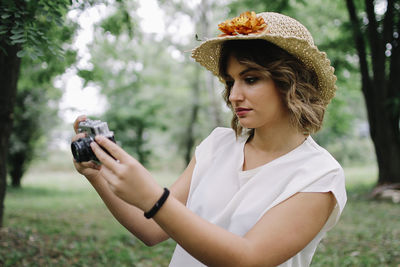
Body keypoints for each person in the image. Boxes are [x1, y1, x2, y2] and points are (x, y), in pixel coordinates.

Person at [72, 11, 347, 267]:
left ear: (291, 82)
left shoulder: (319, 175)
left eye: (250, 79)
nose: (234, 95)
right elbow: (151, 229)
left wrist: (155, 198)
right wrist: (97, 174)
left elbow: (248, 258)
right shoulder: (218, 145)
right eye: (230, 82)